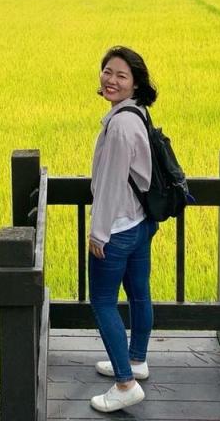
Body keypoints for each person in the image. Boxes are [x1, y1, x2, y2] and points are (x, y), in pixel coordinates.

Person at [88, 46, 158, 412]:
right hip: (139, 224)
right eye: (107, 72)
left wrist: (98, 234)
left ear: (135, 83)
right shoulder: (137, 114)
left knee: (101, 301)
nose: (111, 80)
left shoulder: (120, 126)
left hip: (116, 230)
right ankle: (136, 360)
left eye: (121, 75)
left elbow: (112, 184)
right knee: (138, 294)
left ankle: (125, 382)